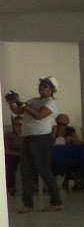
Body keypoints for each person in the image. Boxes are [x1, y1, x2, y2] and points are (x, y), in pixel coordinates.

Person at [7, 76, 63, 212]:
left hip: (42, 139)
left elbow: (39, 115)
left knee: (44, 170)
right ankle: (28, 205)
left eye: (45, 86)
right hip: (27, 138)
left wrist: (23, 105)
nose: (41, 88)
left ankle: (56, 203)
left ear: (52, 89)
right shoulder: (33, 100)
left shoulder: (52, 102)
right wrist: (11, 102)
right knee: (25, 171)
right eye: (40, 85)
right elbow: (17, 111)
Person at [4, 115, 23, 195]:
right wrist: (19, 154)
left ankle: (33, 184)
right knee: (11, 163)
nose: (19, 126)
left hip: (25, 155)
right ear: (13, 125)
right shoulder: (8, 135)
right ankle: (11, 186)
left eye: (21, 124)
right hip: (12, 154)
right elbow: (6, 150)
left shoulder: (27, 135)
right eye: (16, 124)